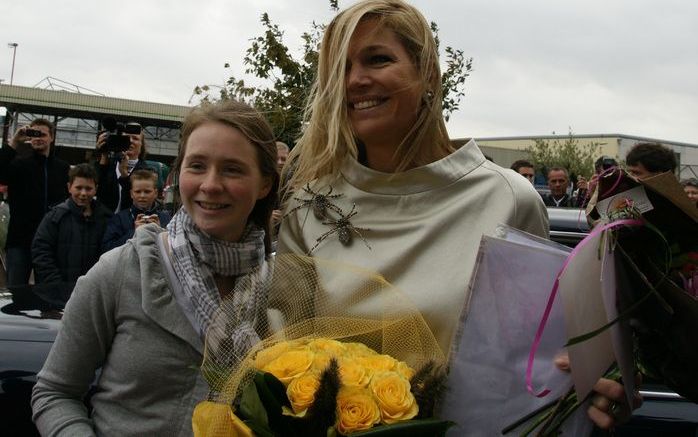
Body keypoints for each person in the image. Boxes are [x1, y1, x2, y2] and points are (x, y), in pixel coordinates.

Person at [277, 0, 637, 429]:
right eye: (340, 68)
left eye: (378, 59)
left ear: (428, 72)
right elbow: (280, 358)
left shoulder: (508, 198)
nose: (355, 80)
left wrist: (582, 381)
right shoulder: (308, 207)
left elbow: (534, 356)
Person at [31, 100, 279, 436]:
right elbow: (54, 392)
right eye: (197, 166)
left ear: (264, 184)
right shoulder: (121, 270)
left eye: (232, 169)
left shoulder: (283, 291)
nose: (210, 184)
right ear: (179, 174)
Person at [0, 119, 70, 288]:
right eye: (34, 134)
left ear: (52, 137)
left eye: (43, 134)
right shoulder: (19, 164)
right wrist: (14, 142)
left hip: (50, 241)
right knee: (16, 290)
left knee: (48, 292)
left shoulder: (62, 168)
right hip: (20, 240)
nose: (38, 138)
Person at [31, 164, 112, 302]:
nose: (83, 193)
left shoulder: (106, 219)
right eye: (79, 188)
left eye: (88, 188)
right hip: (57, 294)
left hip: (93, 294)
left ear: (96, 189)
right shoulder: (55, 217)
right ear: (69, 187)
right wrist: (56, 285)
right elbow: (41, 251)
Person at [94, 121, 168, 213]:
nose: (131, 141)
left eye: (135, 138)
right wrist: (103, 154)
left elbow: (141, 202)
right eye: (127, 137)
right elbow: (97, 190)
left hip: (132, 222)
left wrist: (124, 175)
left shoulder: (148, 172)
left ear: (142, 145)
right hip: (105, 223)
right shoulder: (107, 165)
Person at [102, 169, 172, 252]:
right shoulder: (119, 218)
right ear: (131, 194)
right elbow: (107, 249)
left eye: (147, 191)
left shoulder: (166, 218)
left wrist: (160, 232)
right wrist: (134, 233)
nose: (142, 196)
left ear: (155, 193)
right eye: (138, 192)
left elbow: (174, 249)